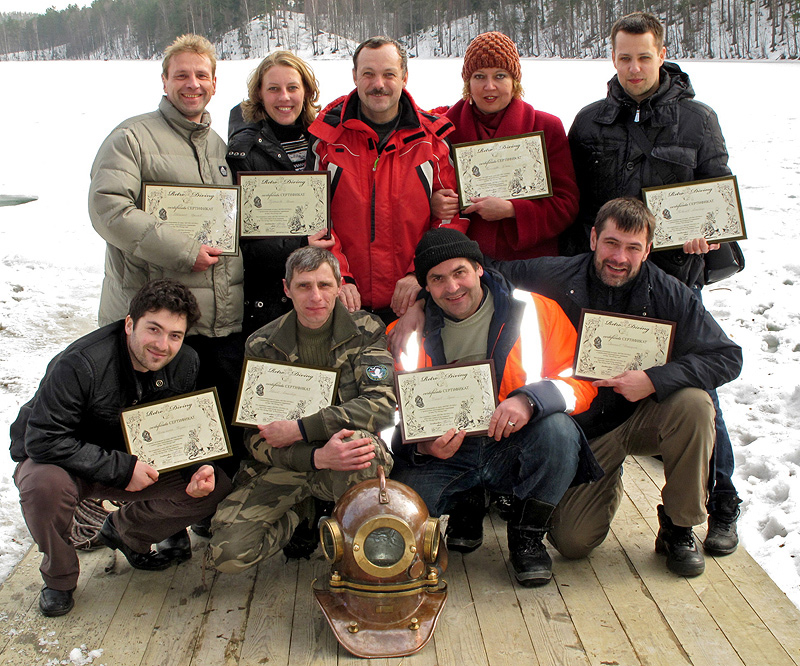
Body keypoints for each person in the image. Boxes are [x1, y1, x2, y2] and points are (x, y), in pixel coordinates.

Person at [563, 11, 742, 555]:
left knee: (696, 390)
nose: (634, 67)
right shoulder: (590, 122)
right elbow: (576, 210)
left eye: (644, 56)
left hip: (675, 281)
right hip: (608, 280)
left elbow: (718, 196)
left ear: (662, 54)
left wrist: (707, 239)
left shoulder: (698, 120)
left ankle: (720, 499)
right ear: (611, 58)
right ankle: (591, 472)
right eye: (624, 57)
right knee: (600, 378)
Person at [489, 197, 743, 576]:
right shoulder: (555, 276)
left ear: (648, 250)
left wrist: (653, 380)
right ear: (593, 238)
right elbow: (484, 274)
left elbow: (726, 356)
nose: (619, 257)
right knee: (573, 543)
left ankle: (679, 526)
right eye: (611, 243)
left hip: (648, 415)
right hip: (587, 430)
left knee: (695, 404)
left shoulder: (671, 293)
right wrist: (419, 290)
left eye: (632, 248)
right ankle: (607, 478)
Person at [389, 228, 601, 587]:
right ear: (425, 287)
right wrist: (418, 445)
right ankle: (464, 502)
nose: (452, 287)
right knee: (400, 525)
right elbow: (386, 408)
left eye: (460, 273)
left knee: (560, 432)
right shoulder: (402, 334)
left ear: (479, 269)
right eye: (437, 279)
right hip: (444, 454)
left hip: (513, 442)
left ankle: (527, 534)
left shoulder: (537, 311)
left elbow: (580, 380)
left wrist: (530, 400)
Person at [10, 279, 233, 617]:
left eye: (175, 335)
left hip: (134, 460)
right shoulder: (80, 363)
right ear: (129, 323)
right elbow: (43, 439)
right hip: (64, 462)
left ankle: (126, 532)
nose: (163, 345)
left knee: (214, 486)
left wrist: (195, 468)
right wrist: (121, 469)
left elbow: (178, 427)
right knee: (43, 487)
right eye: (153, 329)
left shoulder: (185, 362)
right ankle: (59, 577)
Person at [88, 34, 245, 471]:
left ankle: (197, 511)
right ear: (164, 81)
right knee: (156, 426)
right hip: (154, 317)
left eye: (201, 75)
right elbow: (108, 209)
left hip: (212, 322)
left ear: (215, 83)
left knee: (202, 429)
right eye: (181, 75)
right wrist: (183, 251)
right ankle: (161, 526)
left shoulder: (219, 146)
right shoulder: (131, 137)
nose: (191, 84)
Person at [209, 247, 396, 573]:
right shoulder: (262, 344)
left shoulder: (366, 330)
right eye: (304, 286)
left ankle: (355, 538)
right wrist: (313, 457)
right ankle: (301, 513)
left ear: (339, 286)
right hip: (288, 463)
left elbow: (382, 406)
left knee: (366, 452)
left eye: (324, 285)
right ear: (286, 289)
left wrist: (302, 429)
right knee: (228, 555)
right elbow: (254, 437)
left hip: (344, 461)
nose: (315, 296)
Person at [308, 36, 468, 324]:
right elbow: (315, 219)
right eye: (368, 73)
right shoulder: (327, 140)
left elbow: (451, 217)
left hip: (414, 301)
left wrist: (419, 271)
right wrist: (336, 275)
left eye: (388, 74)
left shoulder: (431, 140)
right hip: (342, 300)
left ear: (404, 77)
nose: (378, 84)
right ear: (354, 76)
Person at [430, 31, 579, 260]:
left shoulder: (546, 127)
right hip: (464, 263)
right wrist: (433, 203)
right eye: (479, 76)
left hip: (532, 262)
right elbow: (412, 194)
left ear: (514, 82)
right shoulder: (443, 131)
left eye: (500, 76)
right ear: (468, 83)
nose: (489, 86)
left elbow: (566, 205)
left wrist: (512, 211)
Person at [226, 51, 335, 337]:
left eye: (292, 88)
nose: (284, 97)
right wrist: (299, 242)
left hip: (325, 295)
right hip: (269, 300)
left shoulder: (326, 142)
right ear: (259, 95)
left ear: (307, 92)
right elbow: (243, 245)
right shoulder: (244, 153)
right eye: (273, 89)